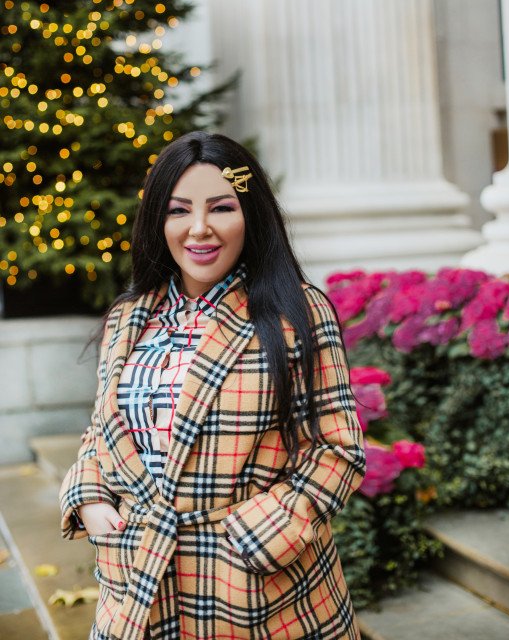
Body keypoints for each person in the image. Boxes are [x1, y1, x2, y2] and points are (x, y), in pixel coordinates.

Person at [59, 131, 366, 640]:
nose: (199, 229)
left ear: (251, 213)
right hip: (138, 584)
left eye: (221, 208)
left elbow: (338, 448)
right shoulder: (129, 317)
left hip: (256, 592)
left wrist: (264, 534)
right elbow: (102, 433)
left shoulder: (298, 311)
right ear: (159, 220)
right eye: (179, 211)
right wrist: (90, 498)